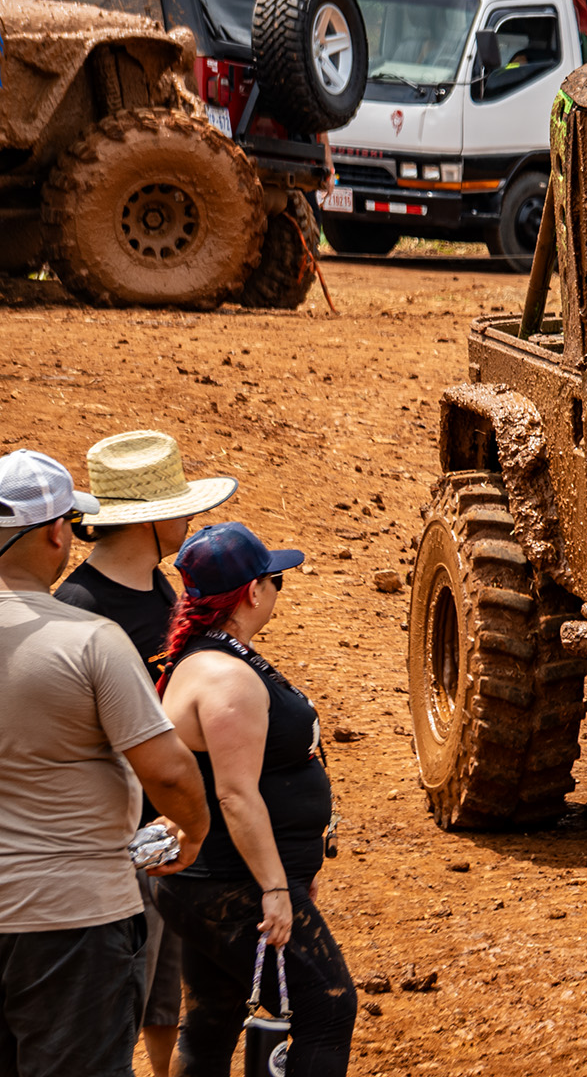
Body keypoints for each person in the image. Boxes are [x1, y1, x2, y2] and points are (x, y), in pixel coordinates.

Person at [0, 449, 209, 1077]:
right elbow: (168, 771)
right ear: (57, 533)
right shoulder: (88, 638)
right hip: (70, 915)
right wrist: (193, 827)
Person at [54, 431, 235, 1077]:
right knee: (115, 998)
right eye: (182, 509)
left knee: (162, 988)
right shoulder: (81, 610)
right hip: (114, 844)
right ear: (151, 520)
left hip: (163, 831)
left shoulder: (159, 590)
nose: (189, 522)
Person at [154, 522, 355, 1077]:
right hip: (232, 883)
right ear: (251, 591)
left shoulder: (207, 658)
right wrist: (274, 887)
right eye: (275, 580)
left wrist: (292, 869)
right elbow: (236, 795)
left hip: (211, 881)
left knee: (212, 1019)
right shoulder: (227, 678)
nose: (276, 589)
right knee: (327, 1007)